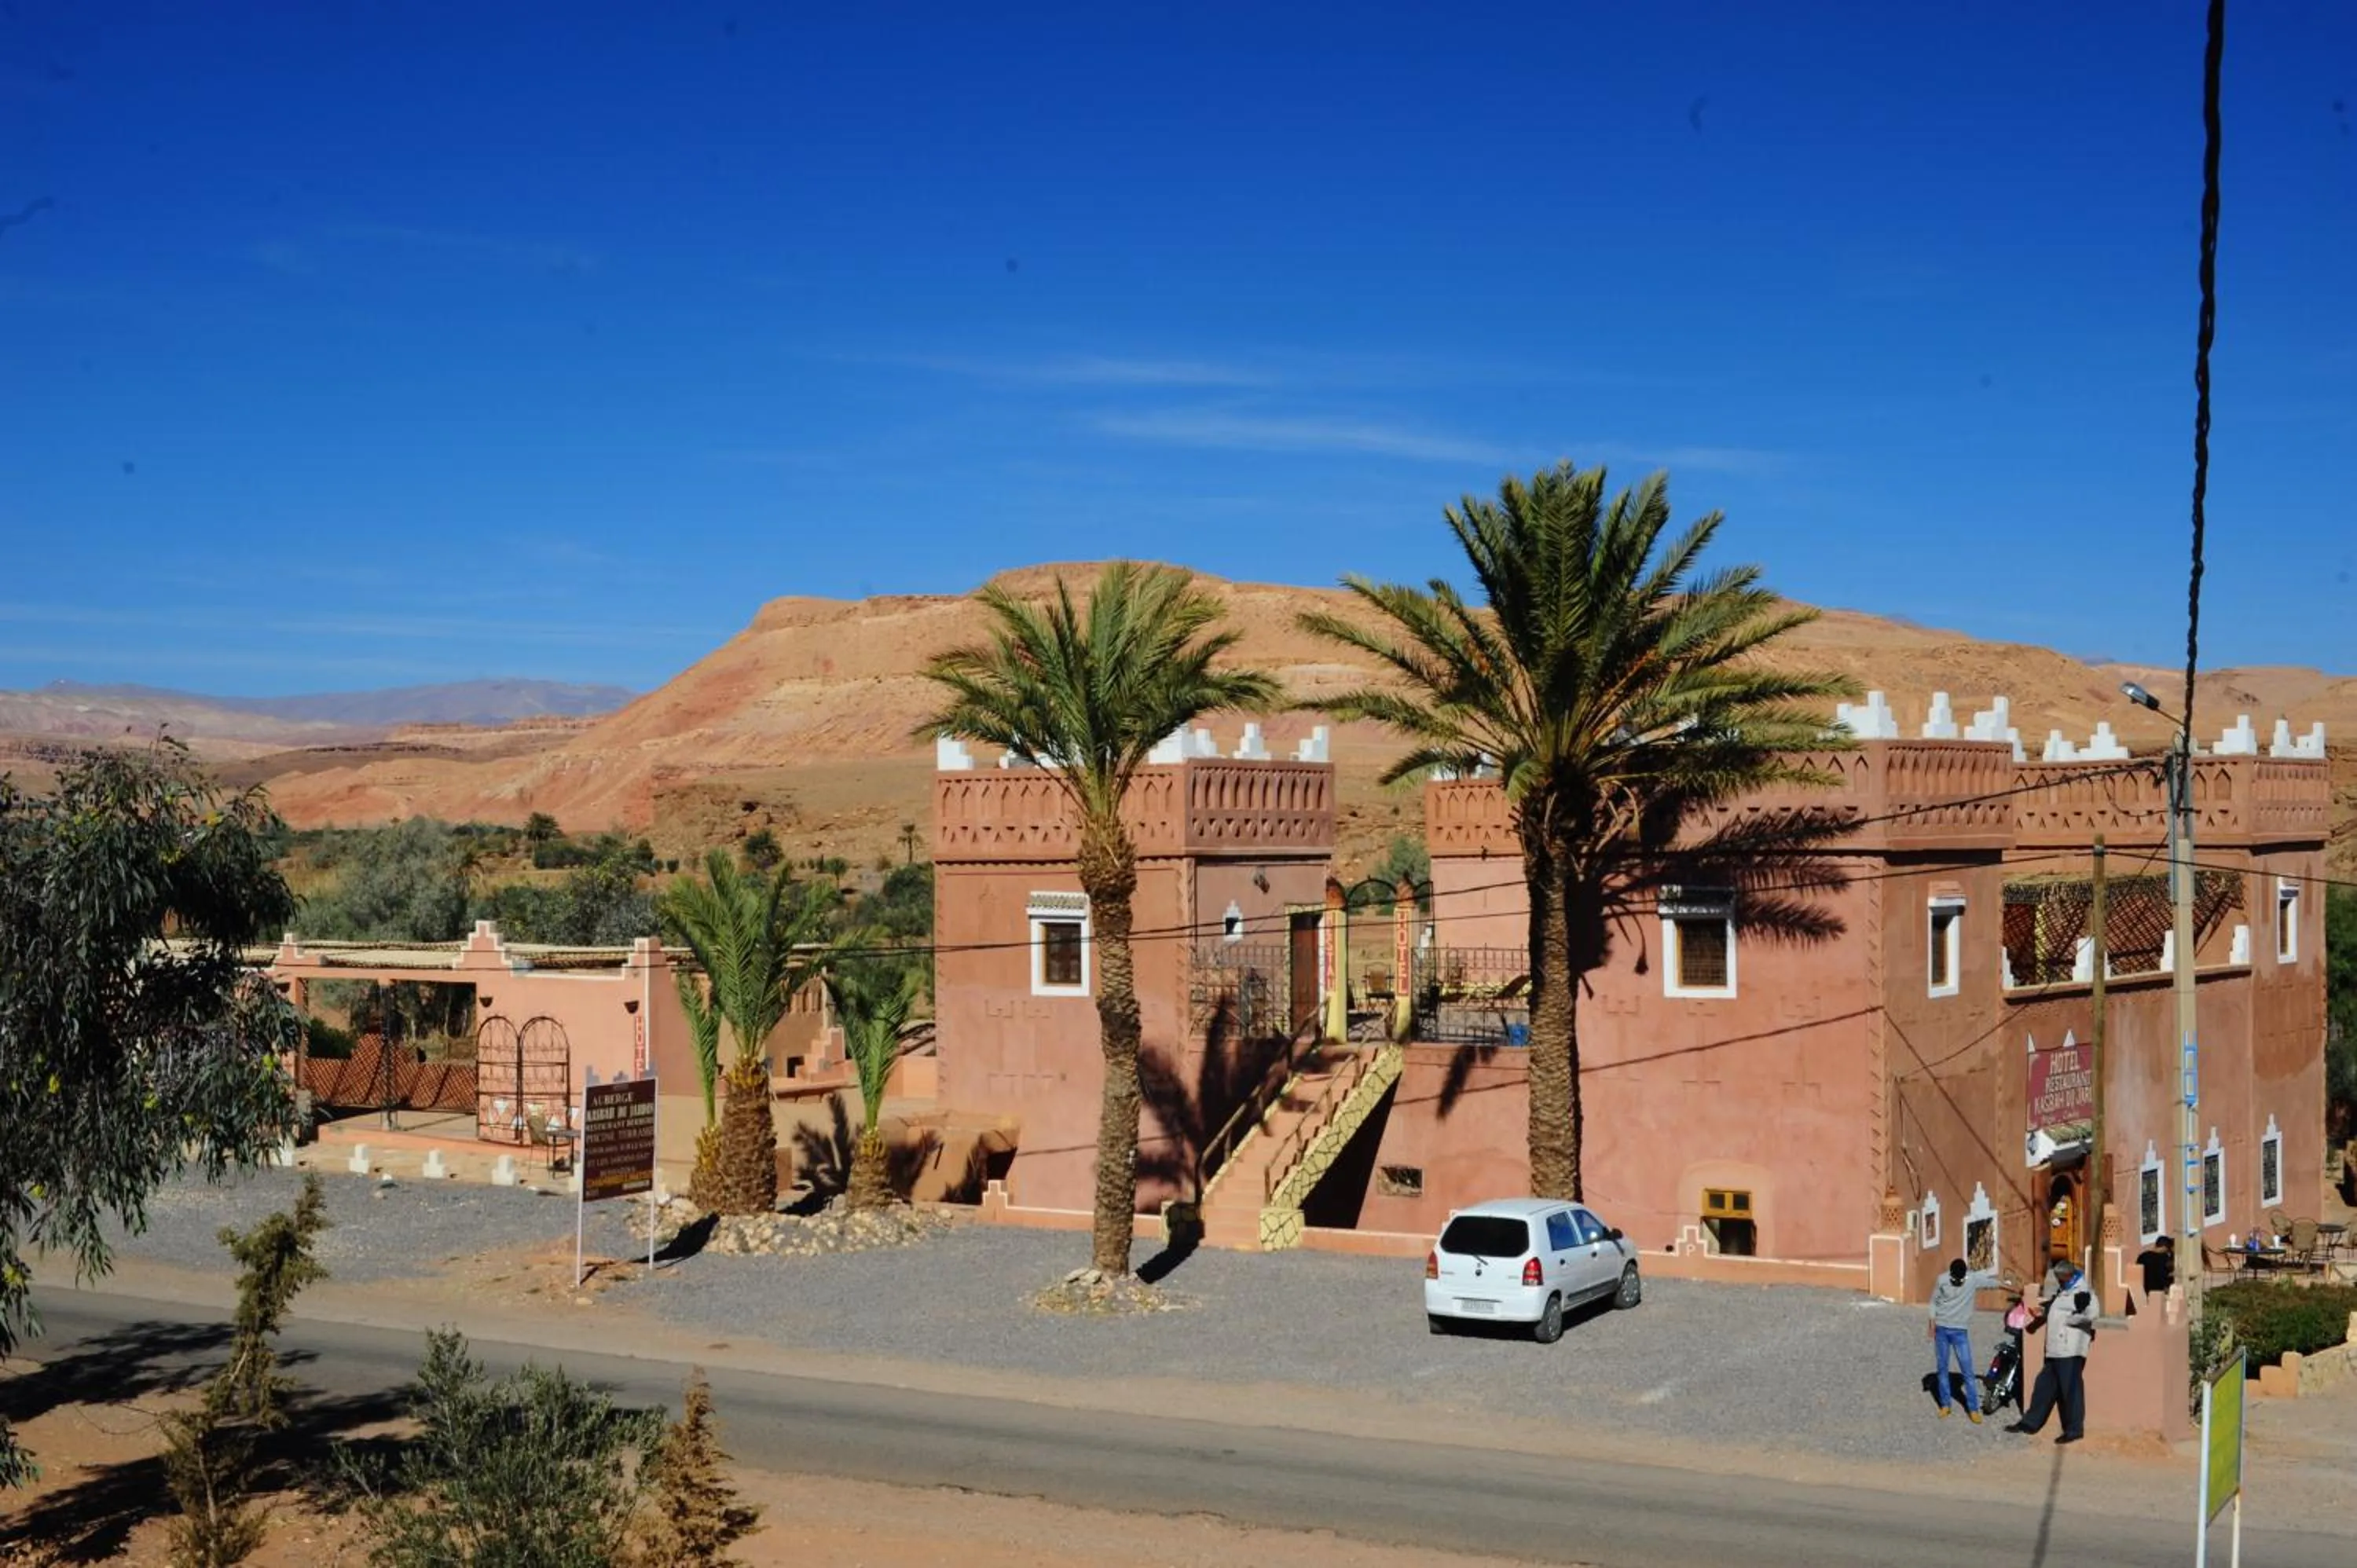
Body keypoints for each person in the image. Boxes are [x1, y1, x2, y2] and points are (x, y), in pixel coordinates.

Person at [2008, 1258, 2098, 1444]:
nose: (2058, 1280)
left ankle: (2074, 1430)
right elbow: (2056, 1308)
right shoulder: (2064, 1291)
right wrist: (2042, 1312)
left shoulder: (2083, 1291)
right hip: (2055, 1350)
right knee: (2044, 1387)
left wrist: (2072, 1320)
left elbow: (2092, 1314)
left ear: (2068, 1275)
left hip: (2071, 1350)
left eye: (2061, 1277)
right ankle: (2030, 1423)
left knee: (2071, 1392)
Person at [1926, 1258, 2000, 1421]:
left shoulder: (1972, 1279)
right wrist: (1932, 1322)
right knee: (1942, 1368)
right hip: (1942, 1330)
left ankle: (1973, 1408)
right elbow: (1933, 1302)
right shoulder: (1942, 1280)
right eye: (1955, 1279)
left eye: (1960, 1279)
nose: (1958, 1282)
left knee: (1967, 1371)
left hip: (1960, 1331)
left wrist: (2013, 1287)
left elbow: (1991, 1283)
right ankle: (1945, 1405)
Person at [2134, 1235, 2174, 1299]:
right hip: (2156, 1294)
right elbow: (2163, 1277)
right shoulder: (2163, 1258)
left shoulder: (2142, 1256)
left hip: (2141, 1293)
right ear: (2164, 1247)